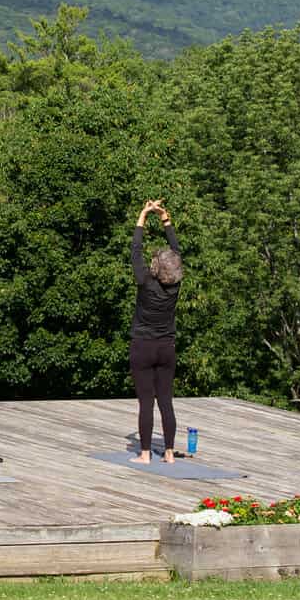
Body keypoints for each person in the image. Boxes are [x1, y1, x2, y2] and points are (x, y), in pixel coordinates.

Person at [129, 199, 183, 464]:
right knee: (165, 401)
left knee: (146, 402)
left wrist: (143, 215)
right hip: (166, 347)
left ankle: (146, 453)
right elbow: (176, 251)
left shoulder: (144, 281)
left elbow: (135, 250)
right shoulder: (175, 286)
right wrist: (165, 219)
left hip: (142, 345)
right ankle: (170, 453)